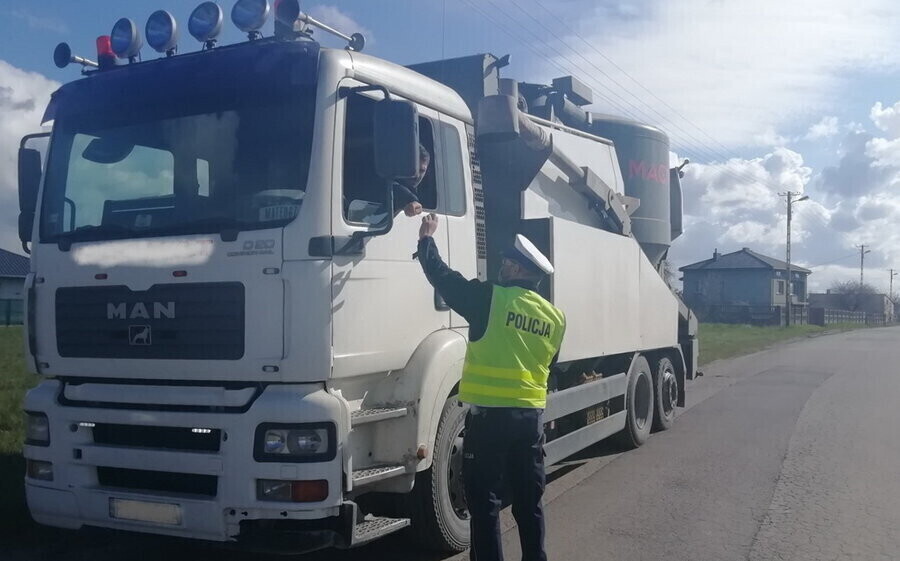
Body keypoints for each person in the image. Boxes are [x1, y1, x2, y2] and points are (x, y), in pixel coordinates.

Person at [416, 213, 566, 561]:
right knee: (529, 504)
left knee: (484, 506)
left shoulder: (490, 299)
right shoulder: (554, 317)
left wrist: (426, 240)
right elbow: (549, 365)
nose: (502, 267)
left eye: (506, 263)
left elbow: (444, 278)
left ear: (517, 269)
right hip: (530, 422)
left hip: (489, 423)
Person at [393, 143, 431, 217]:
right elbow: (395, 189)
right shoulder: (386, 182)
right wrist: (411, 201)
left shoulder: (426, 195)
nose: (416, 175)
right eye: (413, 169)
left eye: (421, 170)